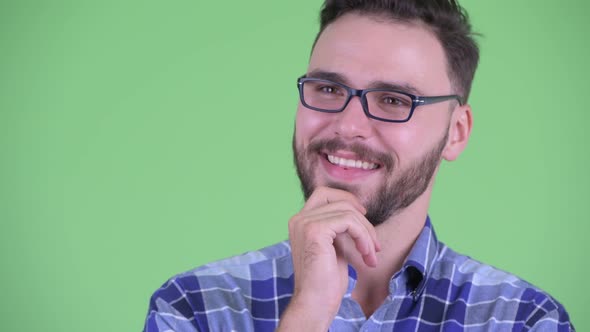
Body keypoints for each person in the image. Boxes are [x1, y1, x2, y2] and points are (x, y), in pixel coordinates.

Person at [143, 0, 574, 331]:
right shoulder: (193, 308)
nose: (348, 126)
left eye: (393, 100)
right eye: (329, 88)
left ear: (456, 132)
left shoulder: (524, 320)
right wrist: (307, 314)